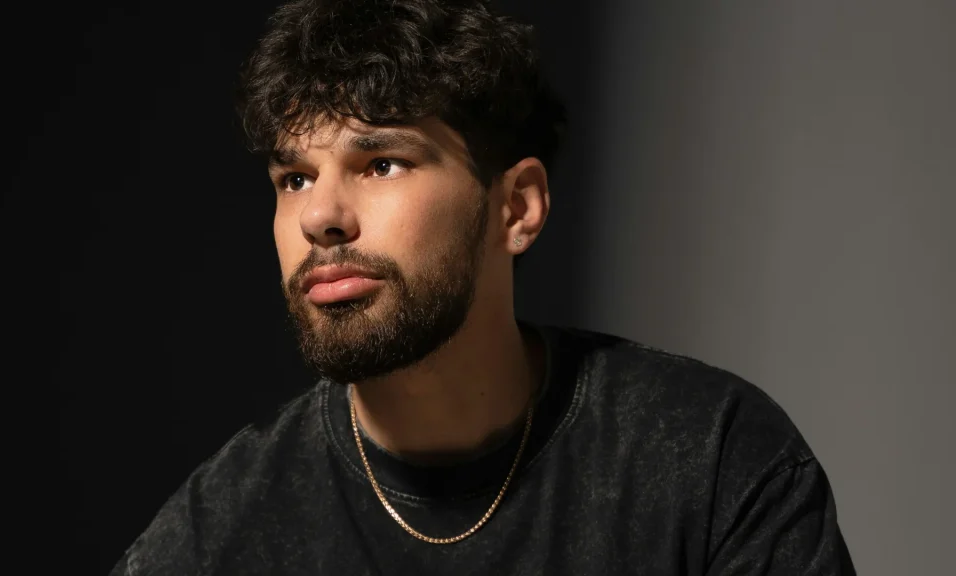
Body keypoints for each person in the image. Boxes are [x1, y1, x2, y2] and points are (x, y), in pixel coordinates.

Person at [110, 0, 856, 574]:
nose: (319, 217)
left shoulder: (709, 459)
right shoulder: (219, 535)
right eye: (295, 178)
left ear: (517, 207)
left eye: (381, 164)